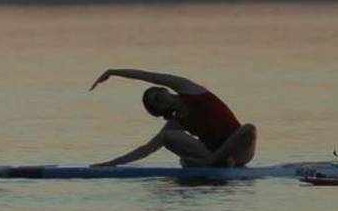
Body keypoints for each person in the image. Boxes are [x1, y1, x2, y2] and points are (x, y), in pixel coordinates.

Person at [88, 67, 258, 168]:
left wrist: (113, 72)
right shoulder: (176, 122)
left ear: (165, 90)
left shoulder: (189, 89)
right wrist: (111, 164)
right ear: (159, 111)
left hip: (239, 151)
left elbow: (147, 76)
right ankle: (214, 162)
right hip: (218, 157)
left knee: (249, 128)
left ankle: (211, 162)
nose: (159, 100)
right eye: (156, 103)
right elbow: (146, 149)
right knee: (167, 137)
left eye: (158, 95)